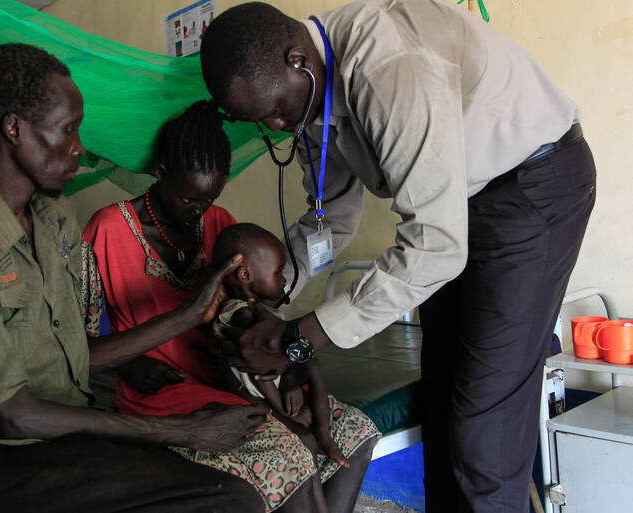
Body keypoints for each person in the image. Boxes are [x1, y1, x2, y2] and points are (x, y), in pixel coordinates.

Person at [200, 2, 597, 512]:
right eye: (264, 121)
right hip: (463, 207)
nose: (279, 125)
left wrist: (300, 339)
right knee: (443, 399)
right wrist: (271, 294)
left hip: (530, 190)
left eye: (277, 110)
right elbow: (333, 216)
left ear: (299, 59)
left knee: (483, 429)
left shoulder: (385, 69)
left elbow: (435, 246)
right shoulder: (309, 97)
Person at [0, 43, 269, 513]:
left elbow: (77, 358)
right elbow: (14, 417)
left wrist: (189, 315)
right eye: (66, 130)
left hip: (58, 422)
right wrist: (183, 430)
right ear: (14, 129)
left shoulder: (51, 217)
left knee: (232, 489)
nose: (79, 148)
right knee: (226, 501)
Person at [82, 100, 377, 513]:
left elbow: (255, 313)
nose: (199, 212)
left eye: (209, 198)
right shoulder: (107, 229)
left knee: (355, 432)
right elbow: (78, 340)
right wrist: (127, 364)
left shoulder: (219, 222)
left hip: (231, 372)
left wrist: (287, 369)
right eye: (189, 200)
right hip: (164, 388)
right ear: (161, 173)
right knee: (291, 449)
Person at [212, 222, 379, 513]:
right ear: (245, 274)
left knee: (312, 363)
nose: (284, 281)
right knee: (300, 434)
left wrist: (290, 379)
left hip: (276, 386)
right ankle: (317, 438)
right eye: (278, 273)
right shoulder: (237, 317)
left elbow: (282, 358)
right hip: (259, 398)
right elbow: (260, 373)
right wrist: (284, 414)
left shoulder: (263, 309)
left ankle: (324, 433)